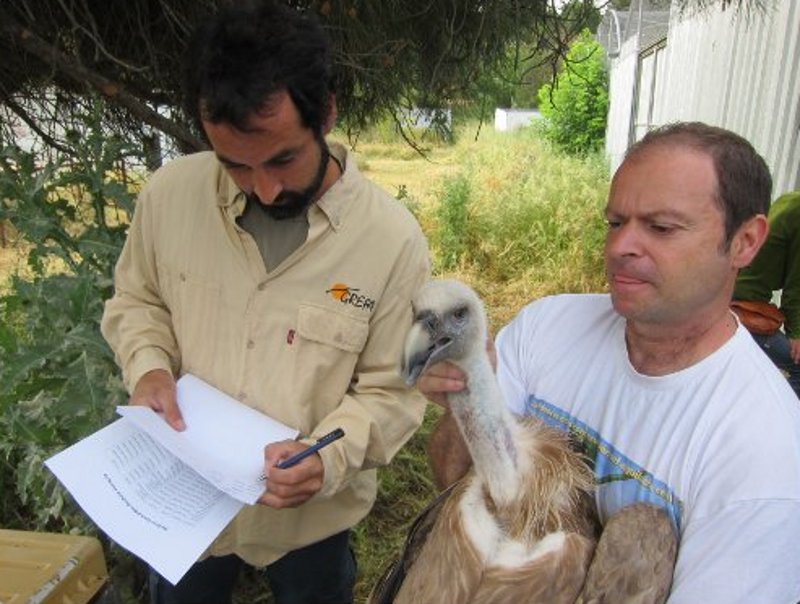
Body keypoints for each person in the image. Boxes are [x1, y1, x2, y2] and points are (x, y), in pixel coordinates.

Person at [100, 3, 430, 603]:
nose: (266, 188)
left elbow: (393, 390)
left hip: (310, 523)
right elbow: (138, 299)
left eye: (282, 158)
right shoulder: (170, 196)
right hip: (186, 498)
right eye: (235, 166)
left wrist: (327, 459)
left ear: (325, 111)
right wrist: (147, 365)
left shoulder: (392, 241)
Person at [418, 122, 800, 603]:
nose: (620, 247)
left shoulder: (764, 457)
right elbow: (454, 484)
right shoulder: (547, 326)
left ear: (745, 241)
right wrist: (473, 393)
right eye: (616, 223)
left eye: (661, 227)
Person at [733, 190, 800, 398]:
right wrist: (796, 334)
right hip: (743, 304)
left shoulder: (791, 199)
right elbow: (794, 288)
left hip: (731, 289)